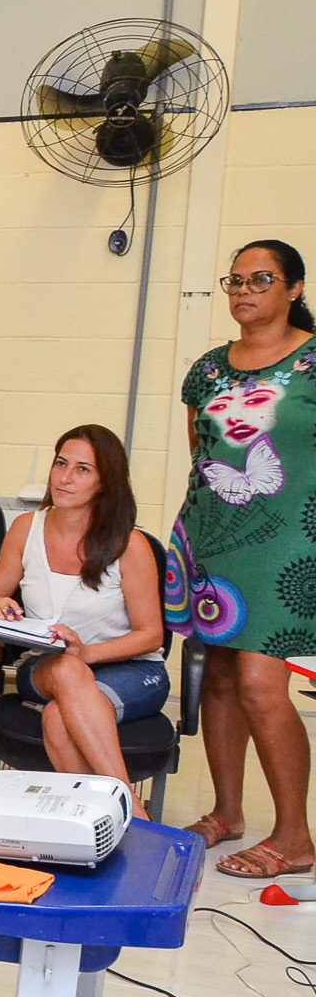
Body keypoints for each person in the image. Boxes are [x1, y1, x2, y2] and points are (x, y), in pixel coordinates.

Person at [167, 238, 316, 879]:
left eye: (261, 278)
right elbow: (203, 455)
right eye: (235, 280)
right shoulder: (206, 369)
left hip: (290, 540)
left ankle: (294, 837)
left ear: (294, 290)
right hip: (215, 532)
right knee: (218, 679)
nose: (244, 290)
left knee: (261, 682)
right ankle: (228, 812)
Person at [0, 427, 166, 817]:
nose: (64, 478)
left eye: (83, 470)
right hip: (48, 663)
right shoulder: (26, 528)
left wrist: (88, 653)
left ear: (104, 482)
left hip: (129, 669)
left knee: (57, 718)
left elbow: (151, 635)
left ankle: (96, 821)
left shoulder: (130, 544)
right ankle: (131, 807)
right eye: (61, 463)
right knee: (65, 668)